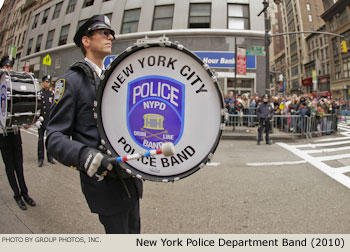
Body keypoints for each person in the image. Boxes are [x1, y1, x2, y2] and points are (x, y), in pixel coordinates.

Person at [46, 15, 143, 234]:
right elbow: (53, 137)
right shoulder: (71, 81)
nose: (110, 36)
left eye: (111, 33)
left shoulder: (114, 80)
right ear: (86, 41)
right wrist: (84, 155)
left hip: (129, 179)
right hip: (105, 182)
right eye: (104, 32)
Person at [0, 56, 36, 210]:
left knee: (19, 165)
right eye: (5, 67)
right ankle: (17, 195)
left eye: (9, 67)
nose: (8, 70)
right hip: (2, 134)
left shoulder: (12, 87)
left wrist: (25, 122)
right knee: (10, 167)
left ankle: (25, 193)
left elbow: (17, 108)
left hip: (14, 132)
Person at [36, 75, 55, 167]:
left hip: (49, 120)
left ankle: (50, 157)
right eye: (46, 82)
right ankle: (40, 159)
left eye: (49, 82)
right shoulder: (40, 94)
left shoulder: (52, 94)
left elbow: (54, 108)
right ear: (43, 82)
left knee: (49, 140)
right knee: (40, 140)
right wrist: (37, 119)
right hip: (41, 120)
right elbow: (37, 107)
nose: (48, 83)